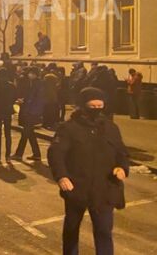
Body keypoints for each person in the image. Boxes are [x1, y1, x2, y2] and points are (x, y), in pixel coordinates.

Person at [48, 87, 130, 255]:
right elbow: (56, 154)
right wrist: (62, 176)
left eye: (100, 106)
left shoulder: (110, 128)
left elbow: (121, 152)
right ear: (83, 106)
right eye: (92, 106)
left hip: (105, 188)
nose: (96, 110)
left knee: (104, 231)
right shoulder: (68, 128)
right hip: (77, 187)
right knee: (72, 228)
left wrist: (122, 167)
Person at [13, 67, 44, 162]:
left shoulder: (37, 84)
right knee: (30, 133)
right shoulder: (34, 83)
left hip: (31, 112)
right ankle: (37, 154)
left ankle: (19, 154)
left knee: (25, 133)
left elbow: (33, 98)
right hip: (32, 111)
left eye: (31, 73)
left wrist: (24, 101)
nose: (29, 75)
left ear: (35, 74)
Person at [0, 68, 17, 162]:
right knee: (8, 134)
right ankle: (8, 156)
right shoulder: (11, 86)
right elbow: (14, 97)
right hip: (8, 111)